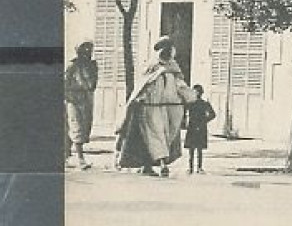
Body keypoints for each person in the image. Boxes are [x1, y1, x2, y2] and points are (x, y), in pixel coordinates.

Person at [115, 36, 197, 177]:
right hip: (151, 107)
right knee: (155, 135)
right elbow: (143, 85)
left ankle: (148, 165)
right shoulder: (151, 67)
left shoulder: (173, 67)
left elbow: (180, 85)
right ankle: (162, 164)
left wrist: (191, 96)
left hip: (170, 108)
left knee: (165, 136)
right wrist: (139, 99)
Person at [64, 41, 99, 169]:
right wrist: (69, 97)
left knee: (84, 127)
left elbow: (93, 83)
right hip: (73, 99)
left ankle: (65, 156)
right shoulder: (72, 66)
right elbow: (64, 83)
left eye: (90, 50)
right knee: (75, 126)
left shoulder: (92, 66)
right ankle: (80, 159)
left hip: (86, 99)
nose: (88, 53)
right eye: (85, 50)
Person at [182, 85, 216, 174]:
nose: (196, 93)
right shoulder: (190, 103)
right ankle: (190, 167)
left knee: (199, 149)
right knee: (191, 149)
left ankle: (199, 168)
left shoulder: (204, 104)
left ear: (200, 93)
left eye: (197, 92)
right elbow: (184, 112)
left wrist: (204, 121)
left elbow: (213, 114)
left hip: (200, 127)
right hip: (192, 127)